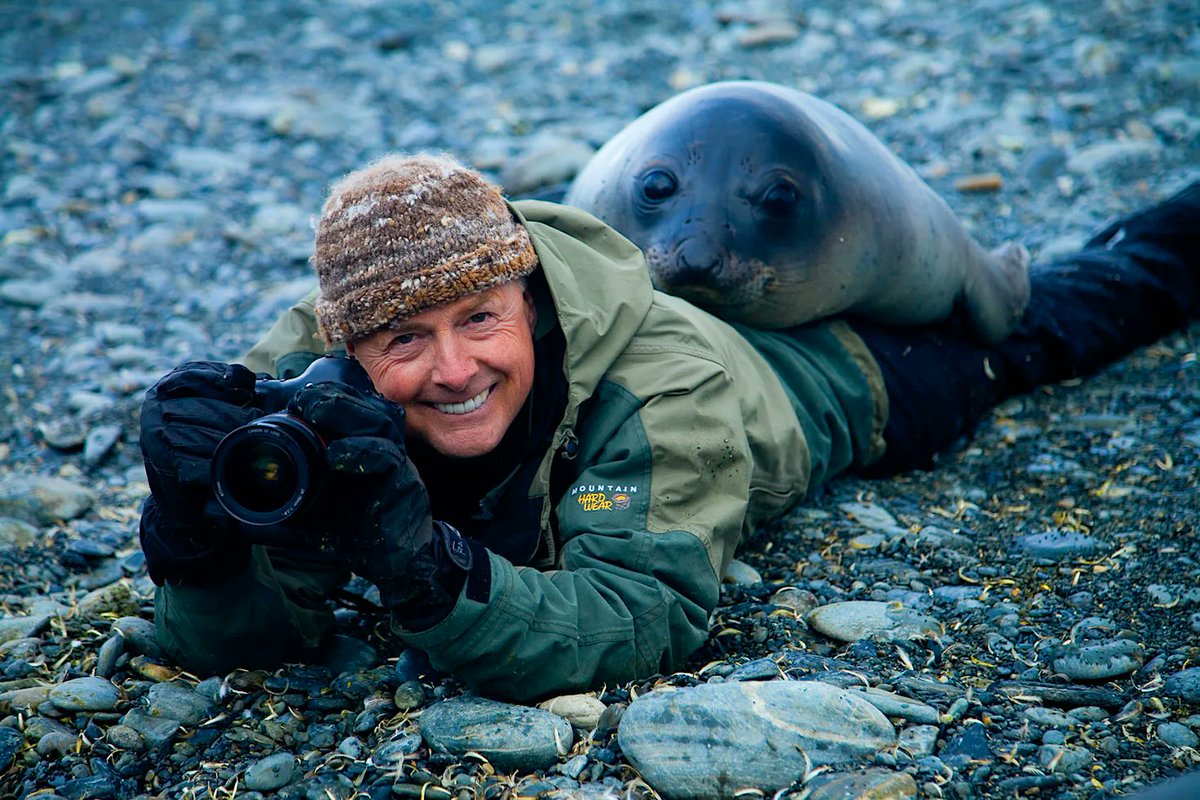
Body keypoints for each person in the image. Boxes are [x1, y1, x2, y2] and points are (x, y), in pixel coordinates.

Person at [138, 153, 1200, 701]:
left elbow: (643, 610)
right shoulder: (308, 382)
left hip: (843, 373)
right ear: (346, 342)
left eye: (480, 319)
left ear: (530, 304)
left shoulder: (661, 387)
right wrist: (196, 534)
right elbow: (251, 641)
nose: (454, 369)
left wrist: (424, 568)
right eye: (406, 340)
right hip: (689, 275)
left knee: (1055, 314)